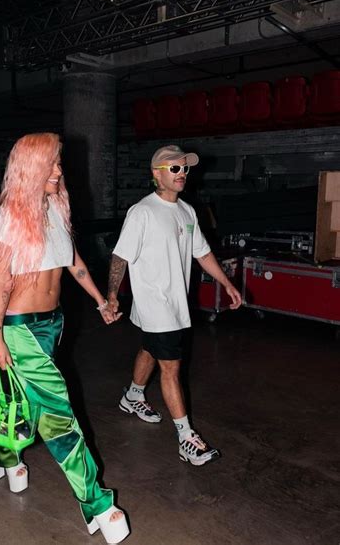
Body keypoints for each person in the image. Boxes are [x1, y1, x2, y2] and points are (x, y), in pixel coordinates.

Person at [0, 133, 130, 544]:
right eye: (51, 164)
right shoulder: (6, 218)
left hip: (53, 323)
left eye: (59, 163)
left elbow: (74, 262)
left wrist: (102, 300)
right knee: (58, 413)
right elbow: (0, 282)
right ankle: (97, 503)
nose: (58, 171)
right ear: (30, 168)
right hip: (18, 327)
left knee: (28, 400)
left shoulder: (54, 210)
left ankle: (5, 454)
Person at [107, 145, 242, 466]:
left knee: (151, 350)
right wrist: (112, 294)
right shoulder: (142, 212)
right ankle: (186, 438)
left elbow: (202, 253)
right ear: (156, 174)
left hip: (176, 302)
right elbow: (120, 255)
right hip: (156, 303)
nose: (182, 174)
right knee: (171, 367)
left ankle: (133, 396)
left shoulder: (187, 211)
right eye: (175, 169)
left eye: (185, 169)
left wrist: (226, 282)